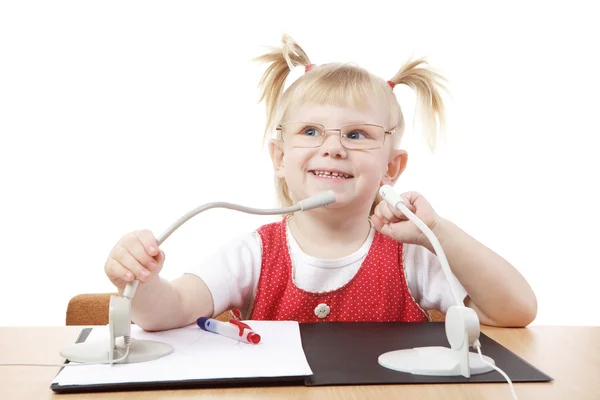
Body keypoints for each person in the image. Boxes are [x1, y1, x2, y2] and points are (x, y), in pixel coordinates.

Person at [103, 34, 537, 332]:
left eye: (356, 134)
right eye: (311, 131)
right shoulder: (253, 252)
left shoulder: (412, 255)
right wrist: (140, 281)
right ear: (279, 157)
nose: (333, 147)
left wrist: (437, 231)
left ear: (392, 168)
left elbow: (517, 311)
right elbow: (169, 312)